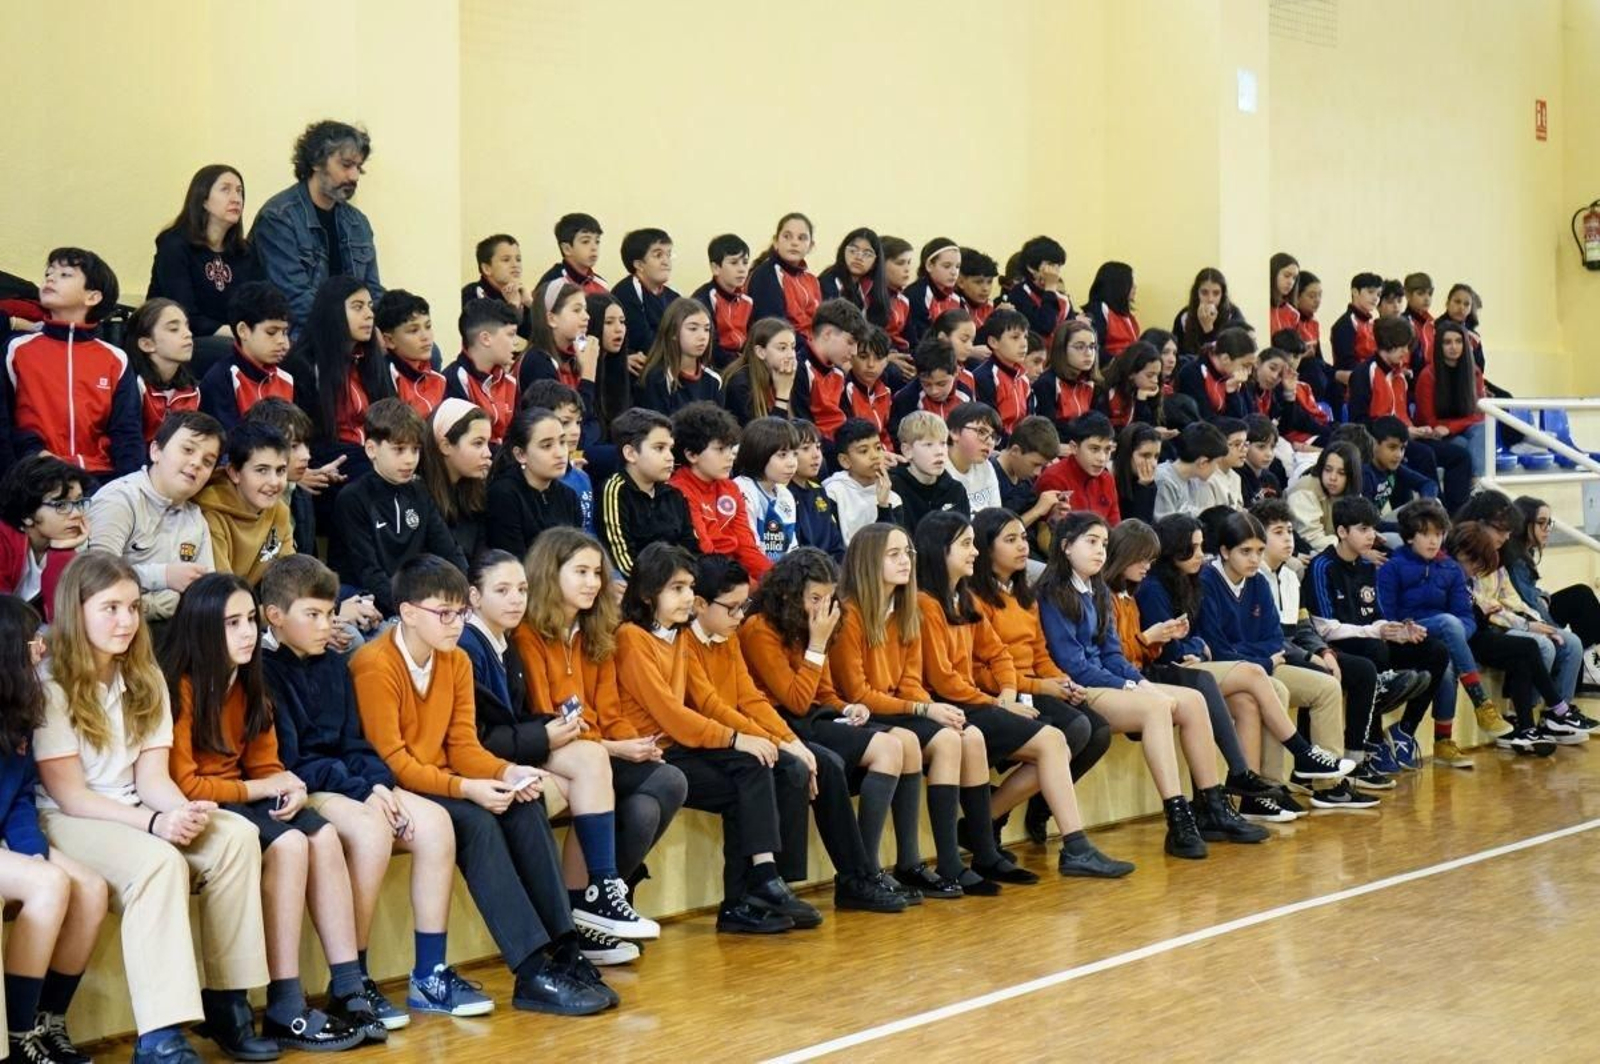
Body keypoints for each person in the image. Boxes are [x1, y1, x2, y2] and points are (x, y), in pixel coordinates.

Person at [34, 553, 271, 1064]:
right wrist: (155, 824)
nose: (126, 621)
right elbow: (71, 794)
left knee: (234, 836)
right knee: (159, 861)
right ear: (76, 611)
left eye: (134, 608)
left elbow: (154, 779)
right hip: (68, 818)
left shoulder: (145, 676)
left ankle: (229, 1003)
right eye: (110, 608)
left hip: (136, 805)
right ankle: (160, 1037)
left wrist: (181, 812)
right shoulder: (50, 683)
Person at [352, 555, 615, 1014]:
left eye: (459, 613)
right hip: (394, 787)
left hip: (441, 778)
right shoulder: (374, 664)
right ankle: (531, 969)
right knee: (477, 821)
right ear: (408, 613)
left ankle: (564, 948)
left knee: (524, 801)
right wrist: (469, 789)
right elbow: (394, 762)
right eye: (444, 613)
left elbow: (463, 745)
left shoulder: (454, 662)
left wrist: (506, 772)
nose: (455, 624)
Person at [259, 554, 490, 1025]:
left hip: (348, 779)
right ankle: (353, 979)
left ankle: (429, 974)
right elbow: (294, 760)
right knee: (370, 831)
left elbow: (355, 742)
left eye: (329, 613)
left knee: (434, 823)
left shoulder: (332, 663)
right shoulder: (264, 671)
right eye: (314, 615)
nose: (327, 625)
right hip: (305, 785)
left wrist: (379, 784)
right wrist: (364, 793)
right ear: (275, 617)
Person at [164, 575, 371, 1050]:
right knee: (293, 843)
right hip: (201, 804)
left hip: (242, 793)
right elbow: (187, 783)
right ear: (199, 628)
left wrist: (290, 788)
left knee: (321, 836)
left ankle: (348, 986)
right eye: (230, 623)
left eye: (250, 621)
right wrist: (265, 784)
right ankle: (285, 1001)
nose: (245, 633)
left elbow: (266, 762)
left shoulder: (249, 679)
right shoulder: (181, 685)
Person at [460, 552, 662, 963]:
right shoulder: (472, 646)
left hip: (514, 751)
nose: (516, 600)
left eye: (521, 590)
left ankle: (593, 900)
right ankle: (587, 905)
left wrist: (548, 729)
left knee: (596, 766)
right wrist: (543, 734)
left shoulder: (502, 641)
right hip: (481, 766)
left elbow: (519, 719)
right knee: (588, 764)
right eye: (502, 590)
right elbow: (474, 739)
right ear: (474, 597)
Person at [915, 512, 1135, 878]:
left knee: (1071, 736)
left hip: (993, 696)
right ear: (940, 552)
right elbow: (945, 681)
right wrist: (1002, 700)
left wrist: (1011, 692)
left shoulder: (963, 597)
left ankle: (995, 831)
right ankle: (1069, 845)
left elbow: (998, 653)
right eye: (967, 545)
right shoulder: (930, 603)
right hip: (958, 704)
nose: (973, 553)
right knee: (1058, 739)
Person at [1036, 511, 1266, 857]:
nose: (1100, 551)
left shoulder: (1097, 589)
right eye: (1092, 542)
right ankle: (1177, 817)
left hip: (1106, 680)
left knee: (1192, 700)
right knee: (1157, 707)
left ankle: (1212, 805)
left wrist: (1140, 683)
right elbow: (1075, 666)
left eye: (1103, 543)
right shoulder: (1053, 592)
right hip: (1080, 687)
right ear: (1066, 547)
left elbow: (1113, 654)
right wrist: (1132, 688)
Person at [688, 553, 910, 908]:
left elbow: (818, 694)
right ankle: (817, 880)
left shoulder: (746, 632)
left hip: (797, 719)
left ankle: (859, 874)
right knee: (819, 765)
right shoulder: (757, 628)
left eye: (829, 598)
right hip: (779, 718)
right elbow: (793, 700)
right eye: (815, 598)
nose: (823, 607)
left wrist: (844, 707)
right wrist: (817, 646)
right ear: (791, 594)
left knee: (853, 757)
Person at [613, 543, 816, 932]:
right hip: (647, 754)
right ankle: (762, 882)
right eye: (676, 588)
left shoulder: (676, 635)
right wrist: (736, 738)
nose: (687, 596)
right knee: (748, 763)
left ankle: (747, 897)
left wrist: (768, 739)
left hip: (674, 747)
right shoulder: (632, 638)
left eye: (689, 587)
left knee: (753, 772)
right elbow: (673, 715)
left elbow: (707, 701)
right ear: (646, 593)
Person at [510, 531, 690, 951]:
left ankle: (588, 912)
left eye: (598, 573)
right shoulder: (527, 635)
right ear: (549, 574)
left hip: (592, 750)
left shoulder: (596, 632)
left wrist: (634, 745)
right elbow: (544, 716)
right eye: (581, 572)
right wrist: (613, 750)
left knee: (656, 793)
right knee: (638, 776)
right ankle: (601, 892)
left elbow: (610, 714)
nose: (593, 582)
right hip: (548, 749)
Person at [826, 524, 992, 898]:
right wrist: (922, 708)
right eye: (894, 554)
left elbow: (910, 681)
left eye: (908, 554)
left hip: (894, 707)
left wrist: (932, 707)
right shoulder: (850, 614)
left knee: (954, 737)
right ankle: (875, 868)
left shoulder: (906, 609)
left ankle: (938, 862)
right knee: (909, 742)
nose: (905, 561)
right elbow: (859, 693)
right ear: (869, 561)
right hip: (857, 714)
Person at [0, 594, 107, 1063]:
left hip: (5, 835)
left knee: (91, 886)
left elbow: (21, 795)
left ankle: (49, 1020)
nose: (40, 649)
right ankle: (18, 1035)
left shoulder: (22, 701)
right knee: (48, 885)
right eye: (30, 642)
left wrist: (30, 847)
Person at [1305, 496, 1456, 772]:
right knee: (1374, 651)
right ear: (1342, 532)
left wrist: (1399, 630)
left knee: (1436, 651)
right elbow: (1324, 628)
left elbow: (1375, 616)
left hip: (1369, 640)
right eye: (1363, 529)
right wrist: (1377, 632)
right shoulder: (1322, 566)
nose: (1371, 536)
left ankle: (1404, 731)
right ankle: (1373, 739)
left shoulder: (1366, 566)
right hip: (1335, 648)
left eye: (1373, 529)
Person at [1377, 499, 1513, 766]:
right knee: (1449, 626)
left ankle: (1443, 743)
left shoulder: (1450, 569)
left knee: (1448, 658)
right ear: (1409, 536)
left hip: (1440, 636)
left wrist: (1455, 630)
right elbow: (1386, 616)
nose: (1433, 541)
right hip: (1403, 636)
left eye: (1438, 534)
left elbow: (1466, 618)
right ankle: (1481, 703)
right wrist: (1410, 628)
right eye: (1426, 534)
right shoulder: (1392, 567)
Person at [2, 248, 142, 478]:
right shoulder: (16, 349)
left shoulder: (116, 359)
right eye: (49, 272)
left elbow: (127, 432)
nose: (50, 277)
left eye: (65, 274)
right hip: (36, 476)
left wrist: (130, 487)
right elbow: (6, 426)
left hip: (100, 476)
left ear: (93, 297)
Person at [331, 399, 468, 615]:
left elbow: (448, 551)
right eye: (399, 449)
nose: (409, 460)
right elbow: (368, 572)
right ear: (371, 449)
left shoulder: (420, 491)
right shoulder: (353, 498)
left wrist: (467, 592)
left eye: (415, 450)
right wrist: (411, 610)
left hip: (413, 599)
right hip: (362, 599)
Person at [87, 411, 223, 622]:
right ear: (156, 451)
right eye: (187, 450)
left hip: (174, 633)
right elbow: (95, 577)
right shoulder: (119, 499)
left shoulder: (196, 518)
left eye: (208, 461)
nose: (196, 463)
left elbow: (206, 595)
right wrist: (165, 577)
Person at [250, 121, 381, 327]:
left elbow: (373, 291)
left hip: (351, 327)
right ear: (316, 162)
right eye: (346, 165)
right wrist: (355, 326)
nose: (354, 176)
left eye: (358, 167)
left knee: (423, 347)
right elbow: (293, 300)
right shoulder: (278, 217)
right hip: (300, 330)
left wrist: (393, 324)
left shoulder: (358, 222)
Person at [147, 165, 263, 361]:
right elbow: (185, 314)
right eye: (225, 189)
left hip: (232, 337)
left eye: (239, 191)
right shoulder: (174, 245)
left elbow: (258, 303)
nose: (236, 198)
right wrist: (238, 333)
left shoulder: (244, 252)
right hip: (178, 339)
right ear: (203, 200)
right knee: (235, 353)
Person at [291, 275, 395, 482]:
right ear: (333, 313)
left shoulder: (372, 362)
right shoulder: (304, 365)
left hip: (372, 456)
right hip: (331, 460)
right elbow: (302, 433)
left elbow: (392, 419)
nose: (369, 315)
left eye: (370, 306)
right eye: (358, 307)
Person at [669, 402, 770, 579]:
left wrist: (775, 580)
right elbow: (704, 550)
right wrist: (747, 585)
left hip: (734, 575)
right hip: (706, 577)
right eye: (720, 449)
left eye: (731, 448)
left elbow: (746, 547)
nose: (730, 456)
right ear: (692, 455)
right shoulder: (679, 490)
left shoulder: (731, 488)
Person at [597, 408, 699, 580]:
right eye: (659, 448)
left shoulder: (674, 494)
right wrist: (661, 586)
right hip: (640, 588)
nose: (670, 457)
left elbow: (690, 547)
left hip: (678, 581)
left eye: (670, 448)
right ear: (630, 453)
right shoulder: (614, 491)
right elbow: (621, 558)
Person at [196, 420, 296, 585]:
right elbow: (223, 588)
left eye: (280, 471)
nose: (274, 482)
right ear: (235, 473)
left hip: (255, 603)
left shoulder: (280, 510)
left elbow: (291, 575)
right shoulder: (210, 514)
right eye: (261, 470)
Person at [0, 456, 93, 622]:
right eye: (61, 505)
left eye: (78, 502)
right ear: (27, 514)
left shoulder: (64, 543)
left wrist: (61, 551)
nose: (76, 514)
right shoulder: (3, 541)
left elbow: (62, 620)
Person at [198, 281, 295, 433]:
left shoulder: (287, 379)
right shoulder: (220, 379)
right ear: (243, 331)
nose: (283, 343)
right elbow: (229, 444)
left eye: (284, 332)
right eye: (271, 332)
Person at [484, 407, 581, 560]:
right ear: (521, 454)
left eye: (562, 442)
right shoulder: (504, 495)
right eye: (547, 446)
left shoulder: (569, 496)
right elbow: (514, 563)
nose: (560, 453)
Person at [419, 400, 493, 562]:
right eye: (478, 443)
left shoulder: (476, 491)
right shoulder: (418, 495)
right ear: (445, 446)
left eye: (487, 443)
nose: (488, 453)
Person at [125, 299, 201, 444]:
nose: (188, 334)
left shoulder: (193, 390)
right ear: (147, 344)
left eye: (187, 326)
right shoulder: (132, 387)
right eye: (174, 329)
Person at [446, 299, 520, 446]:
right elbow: (464, 444)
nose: (516, 342)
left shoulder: (509, 381)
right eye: (511, 334)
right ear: (486, 339)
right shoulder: (455, 380)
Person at [747, 214, 822, 353]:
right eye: (787, 236)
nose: (794, 243)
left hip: (811, 349)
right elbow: (773, 328)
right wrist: (814, 350)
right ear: (776, 241)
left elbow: (821, 323)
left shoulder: (812, 280)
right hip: (783, 351)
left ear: (811, 246)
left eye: (802, 238)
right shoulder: (765, 275)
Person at [733, 417, 801, 564]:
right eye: (782, 455)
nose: (792, 463)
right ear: (759, 453)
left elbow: (791, 549)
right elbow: (748, 550)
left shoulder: (785, 494)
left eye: (795, 454)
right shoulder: (741, 489)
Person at [636, 299, 719, 416]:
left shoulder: (714, 380)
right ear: (673, 333)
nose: (703, 337)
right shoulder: (658, 379)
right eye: (693, 329)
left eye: (707, 329)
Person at [1037, 412, 1119, 525]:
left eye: (1107, 450)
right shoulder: (1054, 479)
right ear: (1074, 447)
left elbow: (1114, 528)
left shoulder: (1107, 479)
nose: (1102, 458)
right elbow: (1048, 535)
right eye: (1094, 449)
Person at [889, 411, 969, 528]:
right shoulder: (893, 488)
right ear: (907, 451)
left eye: (943, 443)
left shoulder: (956, 490)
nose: (939, 452)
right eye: (928, 445)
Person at [610, 228, 679, 358]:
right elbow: (643, 341)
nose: (666, 261)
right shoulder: (626, 293)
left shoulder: (674, 296)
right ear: (639, 265)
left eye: (668, 254)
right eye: (658, 255)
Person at [375, 290, 445, 418]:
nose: (426, 337)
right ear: (389, 340)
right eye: (414, 330)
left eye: (428, 326)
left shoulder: (440, 380)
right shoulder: (384, 378)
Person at [721, 319, 805, 424]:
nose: (791, 355)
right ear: (760, 352)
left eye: (792, 347)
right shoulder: (740, 385)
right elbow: (770, 437)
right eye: (782, 348)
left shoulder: (786, 374)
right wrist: (782, 394)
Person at [1285, 442, 1363, 554]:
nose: (1332, 478)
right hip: (1304, 552)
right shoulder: (1305, 490)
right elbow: (1314, 540)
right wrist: (1357, 550)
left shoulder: (1351, 491)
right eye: (1328, 470)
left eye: (1341, 473)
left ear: (1351, 476)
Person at [691, 233, 754, 367]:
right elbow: (709, 346)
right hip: (716, 365)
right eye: (734, 263)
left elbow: (754, 338)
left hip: (742, 362)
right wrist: (741, 364)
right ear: (716, 268)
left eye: (745, 262)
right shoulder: (703, 299)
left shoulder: (748, 300)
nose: (742, 269)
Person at [461, 233, 533, 344]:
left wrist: (531, 304)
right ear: (486, 268)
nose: (515, 265)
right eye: (506, 260)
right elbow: (490, 340)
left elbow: (542, 338)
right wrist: (513, 306)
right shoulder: (472, 294)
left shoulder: (519, 294)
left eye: (518, 259)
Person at [1171, 268, 1248, 355]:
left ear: (1222, 295)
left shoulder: (1233, 315)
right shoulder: (1184, 316)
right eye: (1204, 293)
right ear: (1197, 293)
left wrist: (1208, 329)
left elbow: (1235, 353)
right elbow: (1178, 352)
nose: (1210, 299)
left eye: (1216, 293)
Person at [538, 213, 609, 295]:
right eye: (585, 241)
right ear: (567, 249)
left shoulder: (601, 284)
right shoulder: (552, 284)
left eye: (597, 241)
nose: (594, 248)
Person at [1113, 423, 1162, 526]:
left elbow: (1145, 527)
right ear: (1127, 454)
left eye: (1156, 456)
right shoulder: (1110, 480)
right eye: (1145, 455)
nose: (1153, 463)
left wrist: (1144, 487)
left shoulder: (1149, 483)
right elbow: (1132, 528)